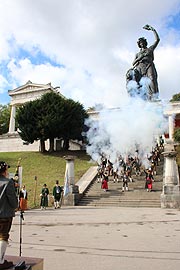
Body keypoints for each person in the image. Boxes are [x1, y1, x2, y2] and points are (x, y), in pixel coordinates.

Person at [127, 24, 160, 100]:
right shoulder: (137, 54)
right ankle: (144, 99)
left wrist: (153, 30)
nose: (142, 43)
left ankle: (155, 97)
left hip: (149, 66)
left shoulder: (150, 49)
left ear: (145, 43)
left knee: (152, 79)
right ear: (139, 44)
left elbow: (157, 40)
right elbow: (133, 63)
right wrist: (139, 58)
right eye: (140, 43)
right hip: (140, 68)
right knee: (143, 84)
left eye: (143, 42)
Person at [0, 161, 18, 269]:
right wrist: (16, 206)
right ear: (5, 170)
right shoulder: (8, 182)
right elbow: (12, 201)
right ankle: (0, 261)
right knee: (3, 236)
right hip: (4, 214)